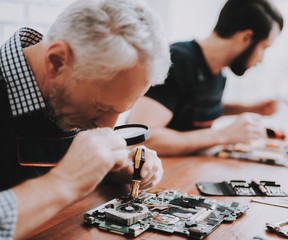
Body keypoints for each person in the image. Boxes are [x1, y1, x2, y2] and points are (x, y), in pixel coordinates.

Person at [0, 0, 171, 239]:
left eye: (119, 112)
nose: (108, 127)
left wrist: (109, 168)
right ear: (57, 62)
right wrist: (65, 182)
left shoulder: (69, 92)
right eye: (101, 107)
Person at [128, 0, 283, 156]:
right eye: (264, 48)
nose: (261, 59)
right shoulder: (177, 62)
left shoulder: (218, 72)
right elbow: (142, 139)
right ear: (245, 37)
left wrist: (250, 108)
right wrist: (223, 135)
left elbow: (194, 107)